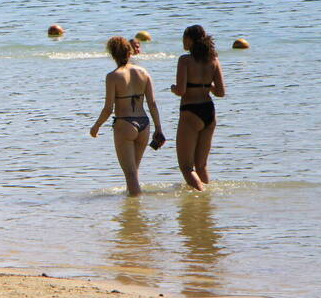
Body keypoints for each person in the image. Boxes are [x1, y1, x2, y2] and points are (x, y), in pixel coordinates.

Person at [90, 36, 165, 196]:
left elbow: (108, 109)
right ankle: (132, 208)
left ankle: (135, 212)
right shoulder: (144, 72)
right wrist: (158, 128)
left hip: (125, 124)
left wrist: (96, 126)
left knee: (130, 174)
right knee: (133, 172)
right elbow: (152, 104)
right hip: (144, 123)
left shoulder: (113, 76)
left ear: (112, 54)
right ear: (130, 52)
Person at [170, 24, 225, 192]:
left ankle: (200, 197)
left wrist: (172, 88)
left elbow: (181, 91)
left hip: (191, 111)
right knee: (201, 166)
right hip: (209, 111)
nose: (182, 42)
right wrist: (206, 86)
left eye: (184, 38)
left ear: (190, 40)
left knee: (186, 167)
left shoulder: (185, 60)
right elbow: (221, 92)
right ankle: (206, 205)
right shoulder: (214, 60)